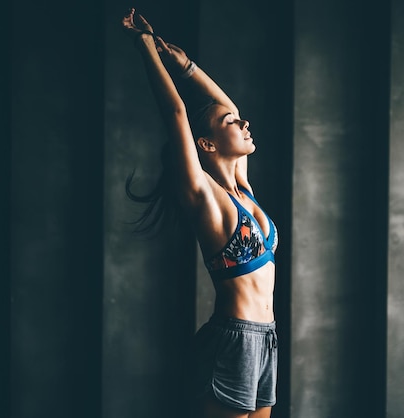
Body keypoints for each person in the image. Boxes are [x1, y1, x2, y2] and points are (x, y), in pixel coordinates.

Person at [121, 8, 279, 418]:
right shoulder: (204, 195)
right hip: (234, 338)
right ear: (206, 145)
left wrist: (186, 65)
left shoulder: (242, 187)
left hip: (267, 338)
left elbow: (228, 102)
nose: (243, 121)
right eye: (231, 123)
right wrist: (145, 47)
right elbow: (176, 112)